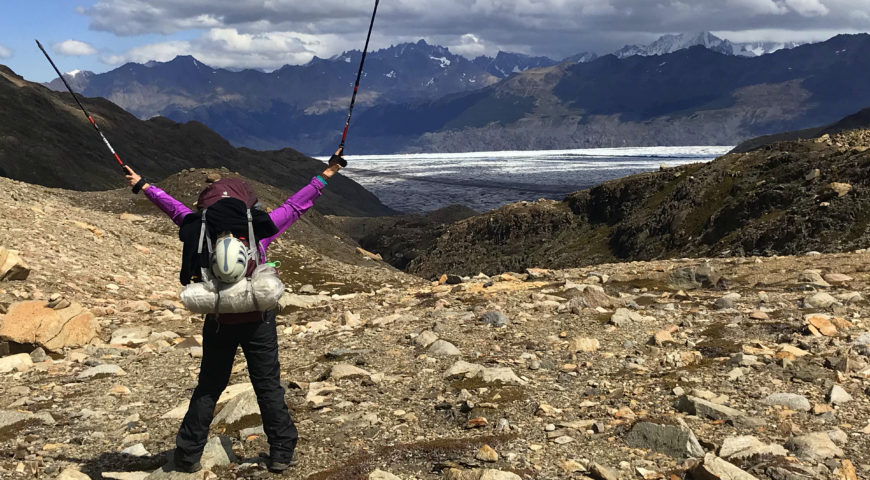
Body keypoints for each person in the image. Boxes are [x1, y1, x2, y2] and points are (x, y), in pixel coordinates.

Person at [124, 150, 344, 473]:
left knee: (209, 386)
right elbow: (296, 205)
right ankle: (282, 451)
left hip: (218, 319)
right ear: (246, 204)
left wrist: (143, 185)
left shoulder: (198, 225)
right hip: (258, 318)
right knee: (267, 385)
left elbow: (172, 207)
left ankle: (187, 456)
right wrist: (327, 174)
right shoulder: (259, 226)